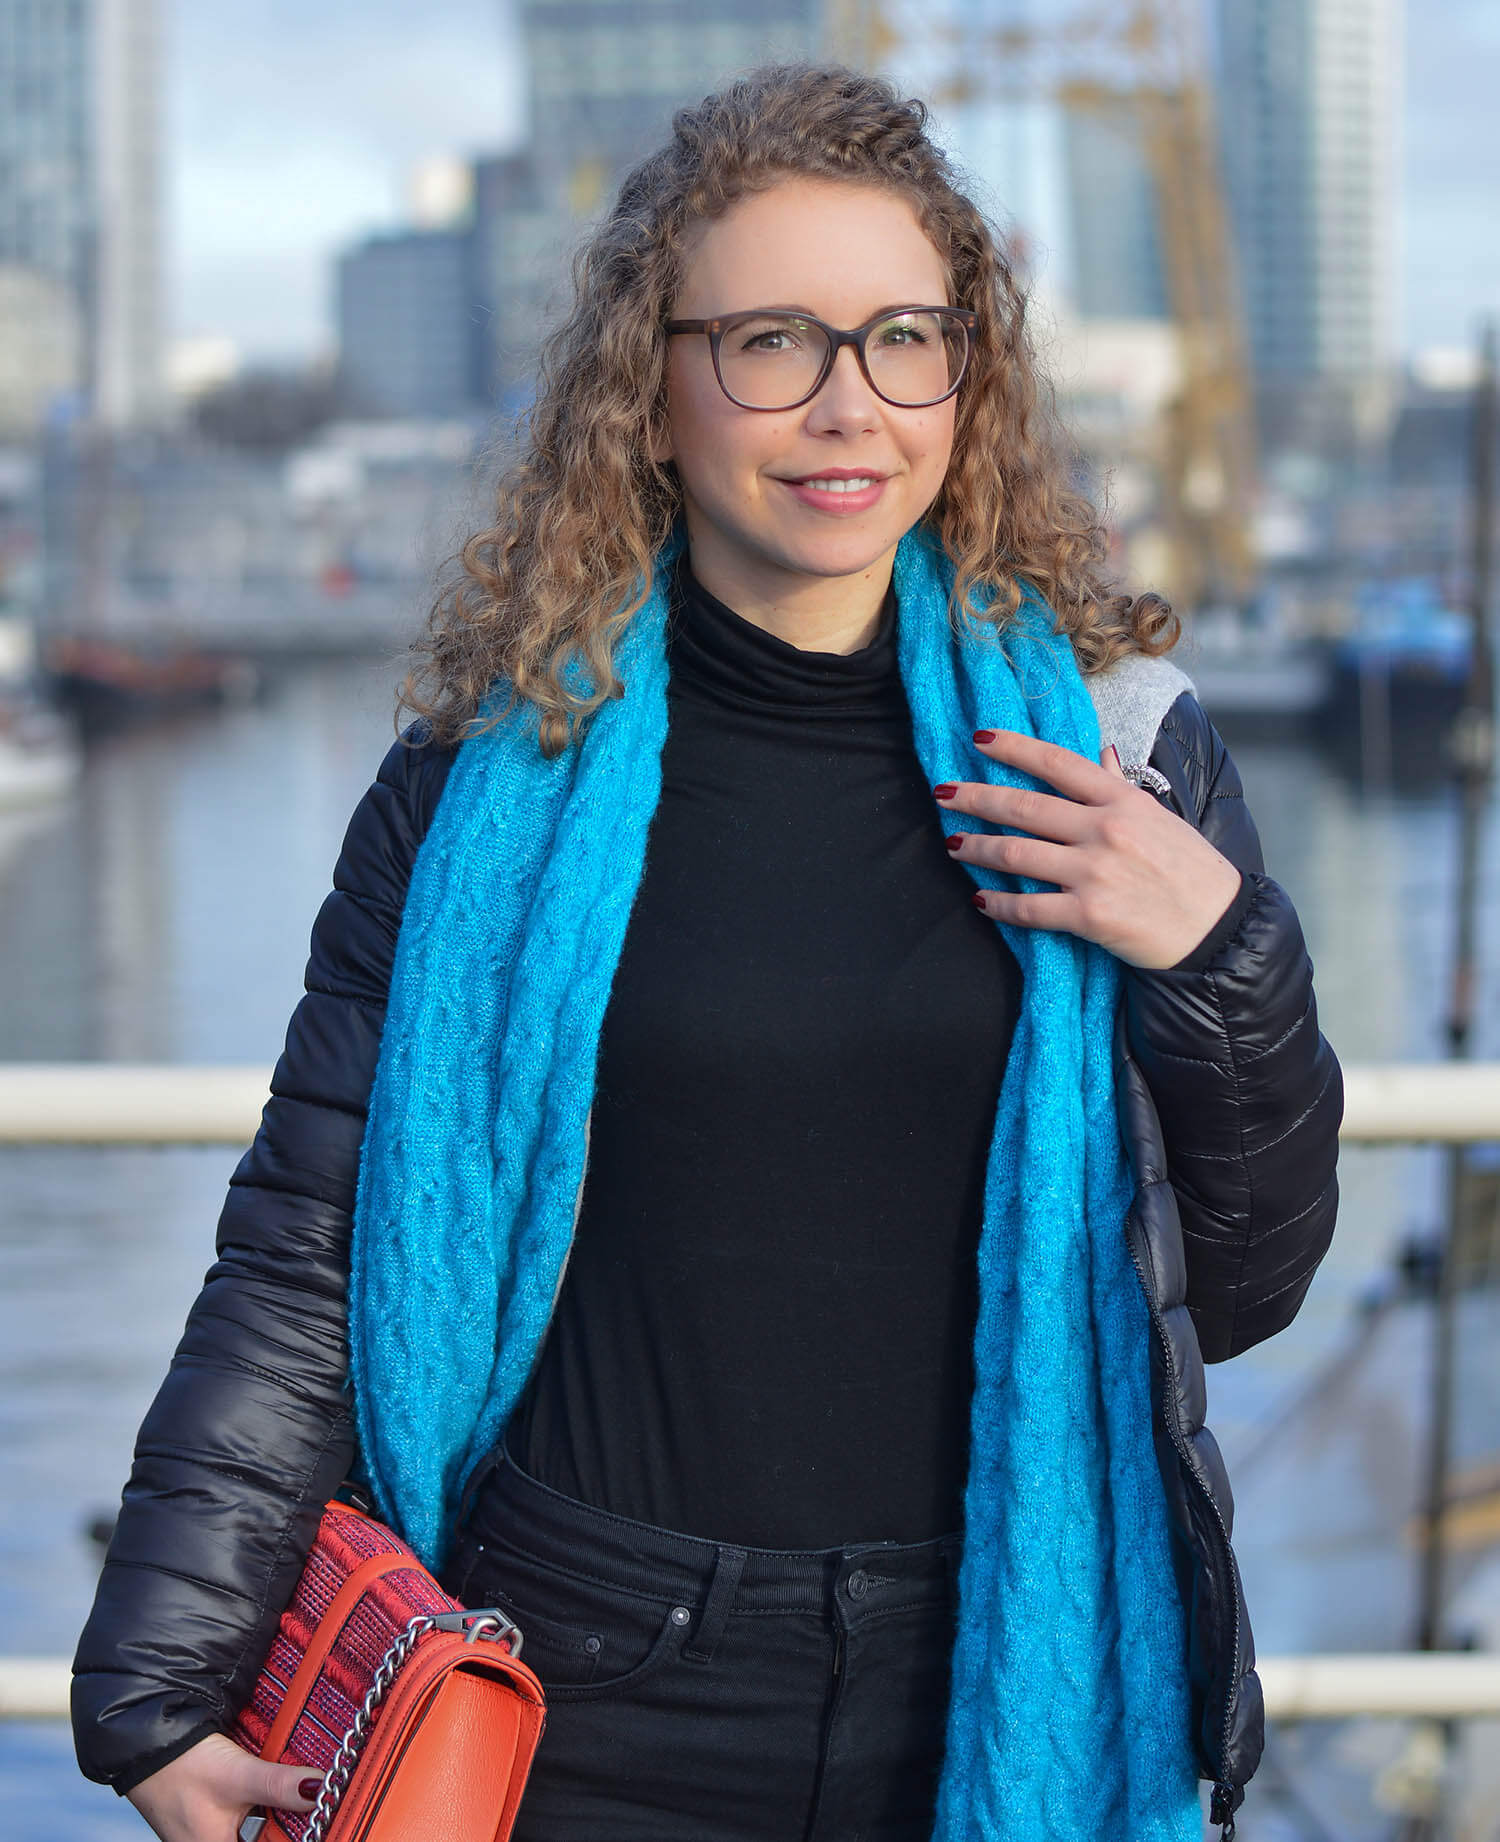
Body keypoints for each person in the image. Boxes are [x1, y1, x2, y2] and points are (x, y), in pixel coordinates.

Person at [72, 63, 1341, 1842]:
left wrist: (1219, 946)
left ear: (967, 384)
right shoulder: (473, 793)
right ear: (650, 396)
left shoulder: (1120, 756)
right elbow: (307, 1251)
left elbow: (1248, 1276)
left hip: (990, 1648)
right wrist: (150, 1685)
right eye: (771, 341)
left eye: (907, 337)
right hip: (582, 1683)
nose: (848, 405)